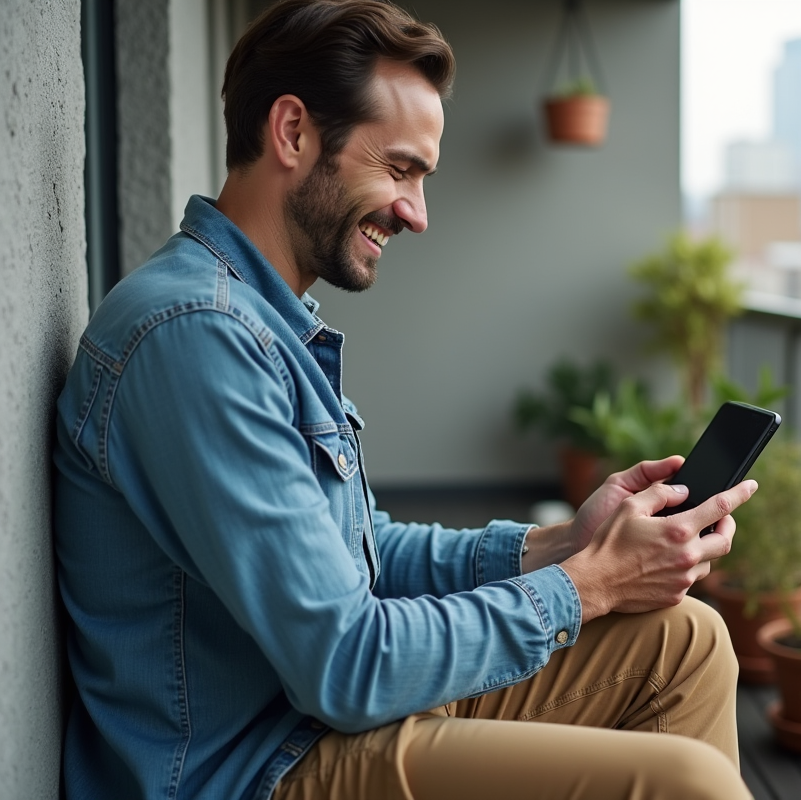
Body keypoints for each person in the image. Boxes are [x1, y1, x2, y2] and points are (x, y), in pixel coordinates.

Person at [53, 2, 758, 798]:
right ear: (292, 133)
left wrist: (561, 546)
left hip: (301, 720)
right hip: (249, 767)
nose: (417, 214)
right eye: (400, 169)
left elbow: (361, 558)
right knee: (688, 783)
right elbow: (346, 666)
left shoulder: (256, 321)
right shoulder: (195, 338)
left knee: (686, 641)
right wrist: (590, 586)